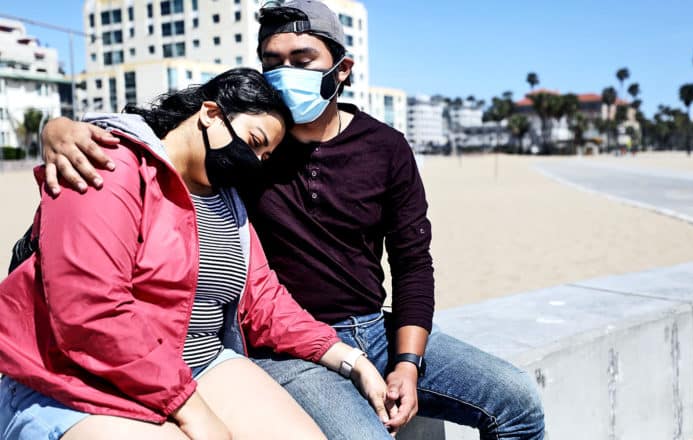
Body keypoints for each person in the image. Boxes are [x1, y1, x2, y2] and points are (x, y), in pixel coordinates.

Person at [27, 1, 546, 439]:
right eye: (272, 61)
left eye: (302, 58)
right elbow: (160, 134)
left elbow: (413, 264)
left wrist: (406, 364)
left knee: (519, 402)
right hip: (284, 352)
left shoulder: (385, 147)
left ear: (340, 69)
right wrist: (59, 128)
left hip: (373, 329)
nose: (286, 73)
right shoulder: (245, 151)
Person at [0, 68, 391, 440]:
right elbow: (90, 309)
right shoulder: (111, 162)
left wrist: (349, 359)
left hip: (199, 364)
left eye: (265, 157)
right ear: (211, 114)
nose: (253, 161)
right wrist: (192, 410)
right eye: (253, 142)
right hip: (77, 379)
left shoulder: (229, 202)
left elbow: (264, 302)